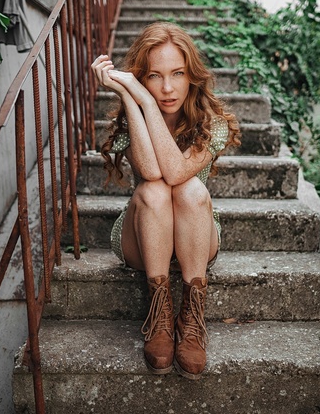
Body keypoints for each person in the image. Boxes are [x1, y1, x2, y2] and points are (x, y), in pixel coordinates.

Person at [91, 22, 240, 380]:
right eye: (154, 77)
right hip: (144, 238)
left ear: (193, 76)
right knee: (153, 190)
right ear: (142, 77)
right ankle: (159, 318)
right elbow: (150, 171)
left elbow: (175, 172)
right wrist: (132, 99)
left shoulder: (212, 123)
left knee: (188, 188)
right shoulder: (134, 114)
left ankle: (191, 317)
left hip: (196, 237)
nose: (168, 88)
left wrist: (142, 97)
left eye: (178, 73)